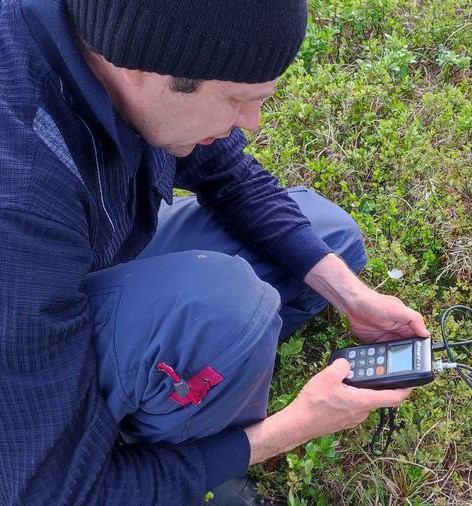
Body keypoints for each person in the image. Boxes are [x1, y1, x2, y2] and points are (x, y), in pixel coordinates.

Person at [0, 0, 430, 504]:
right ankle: (180, 455)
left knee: (329, 239)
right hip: (21, 353)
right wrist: (292, 427)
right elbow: (50, 493)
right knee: (222, 308)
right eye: (237, 100)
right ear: (138, 67)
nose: (253, 122)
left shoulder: (122, 45)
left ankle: (205, 377)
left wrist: (351, 296)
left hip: (72, 269)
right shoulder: (22, 197)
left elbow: (230, 177)